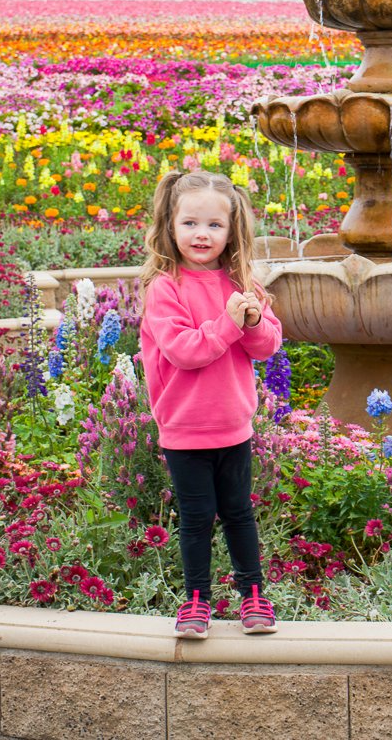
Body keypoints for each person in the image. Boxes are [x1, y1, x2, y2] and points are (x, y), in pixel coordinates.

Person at [140, 170, 283, 638]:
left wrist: (255, 318)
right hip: (185, 428)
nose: (202, 234)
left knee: (239, 513)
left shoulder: (242, 284)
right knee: (197, 518)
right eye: (190, 223)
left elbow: (266, 347)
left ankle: (254, 596)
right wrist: (229, 322)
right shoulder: (166, 288)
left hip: (233, 425)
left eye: (214, 225)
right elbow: (184, 350)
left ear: (231, 230)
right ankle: (197, 600)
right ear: (170, 225)